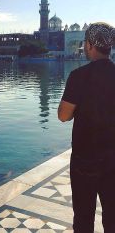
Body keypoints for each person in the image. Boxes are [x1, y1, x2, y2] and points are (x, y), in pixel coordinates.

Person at [58, 22, 115, 233]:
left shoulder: (79, 76)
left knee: (83, 217)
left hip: (85, 160)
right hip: (113, 159)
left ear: (90, 45)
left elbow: (64, 116)